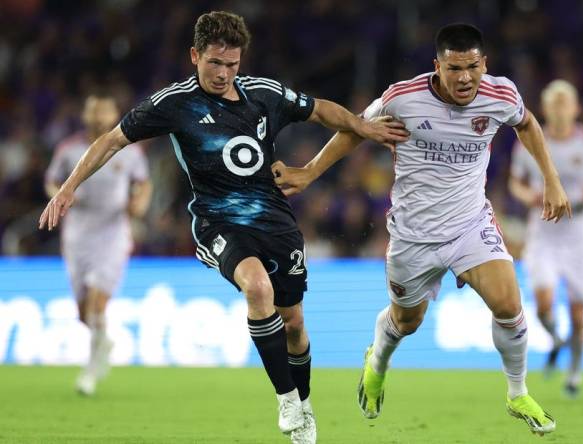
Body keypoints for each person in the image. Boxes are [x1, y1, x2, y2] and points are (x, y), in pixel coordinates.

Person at [38, 10, 408, 444]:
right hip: (216, 220)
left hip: (274, 217)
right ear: (195, 55)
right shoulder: (173, 103)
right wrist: (67, 187)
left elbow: (320, 110)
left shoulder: (264, 93)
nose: (224, 73)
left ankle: (304, 407)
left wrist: (361, 125)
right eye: (215, 63)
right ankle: (286, 398)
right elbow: (111, 140)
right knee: (257, 288)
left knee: (293, 323)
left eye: (232, 64)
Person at [271, 23, 570, 435]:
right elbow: (355, 129)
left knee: (509, 305)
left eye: (472, 67)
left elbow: (528, 124)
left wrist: (551, 180)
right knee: (406, 322)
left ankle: (517, 392)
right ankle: (377, 361)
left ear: (484, 63)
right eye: (454, 68)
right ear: (437, 66)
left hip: (470, 224)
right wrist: (308, 172)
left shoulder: (500, 94)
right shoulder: (403, 98)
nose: (465, 77)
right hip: (413, 236)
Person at [508, 79, 583, 397]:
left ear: (576, 108)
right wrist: (527, 194)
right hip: (543, 230)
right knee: (543, 305)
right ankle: (556, 339)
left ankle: (574, 372)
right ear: (545, 109)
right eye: (554, 103)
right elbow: (514, 183)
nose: (559, 109)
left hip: (580, 232)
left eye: (564, 103)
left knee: (578, 313)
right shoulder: (528, 140)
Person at [44, 93, 152, 396]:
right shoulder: (69, 149)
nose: (98, 116)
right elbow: (52, 179)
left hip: (113, 234)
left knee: (96, 302)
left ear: (114, 113)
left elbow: (144, 182)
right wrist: (60, 194)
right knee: (83, 313)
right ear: (85, 114)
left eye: (104, 110)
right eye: (94, 110)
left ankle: (90, 372)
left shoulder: (129, 151)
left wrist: (139, 203)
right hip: (77, 235)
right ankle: (102, 338)